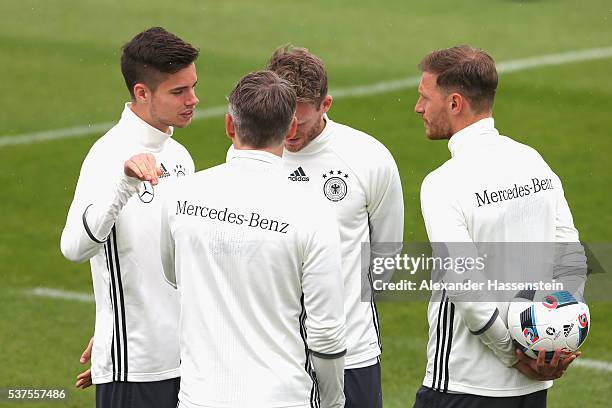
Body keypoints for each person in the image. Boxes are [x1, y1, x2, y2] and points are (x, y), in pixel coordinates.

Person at [151, 70, 345, 408]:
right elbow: (326, 333)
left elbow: (171, 274)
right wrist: (333, 401)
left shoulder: (179, 194)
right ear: (291, 129)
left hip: (200, 398)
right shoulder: (314, 211)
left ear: (229, 125)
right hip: (284, 398)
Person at [228, 46, 405, 408]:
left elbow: (387, 251)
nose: (290, 132)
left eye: (301, 121)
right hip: (272, 355)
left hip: (351, 354)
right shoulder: (246, 154)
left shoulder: (368, 158)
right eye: (285, 119)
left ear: (326, 106)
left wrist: (342, 307)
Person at [413, 45, 586, 407]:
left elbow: (463, 282)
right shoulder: (532, 161)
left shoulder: (443, 182)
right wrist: (558, 335)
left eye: (424, 97)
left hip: (463, 383)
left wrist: (512, 353)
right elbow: (569, 250)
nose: (419, 108)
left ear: (455, 103)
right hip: (532, 389)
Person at [60, 27, 199, 407]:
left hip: (187, 363)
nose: (193, 100)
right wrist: (123, 184)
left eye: (192, 87)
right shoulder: (108, 158)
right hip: (134, 367)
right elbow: (73, 248)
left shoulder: (180, 157)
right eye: (179, 91)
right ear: (142, 92)